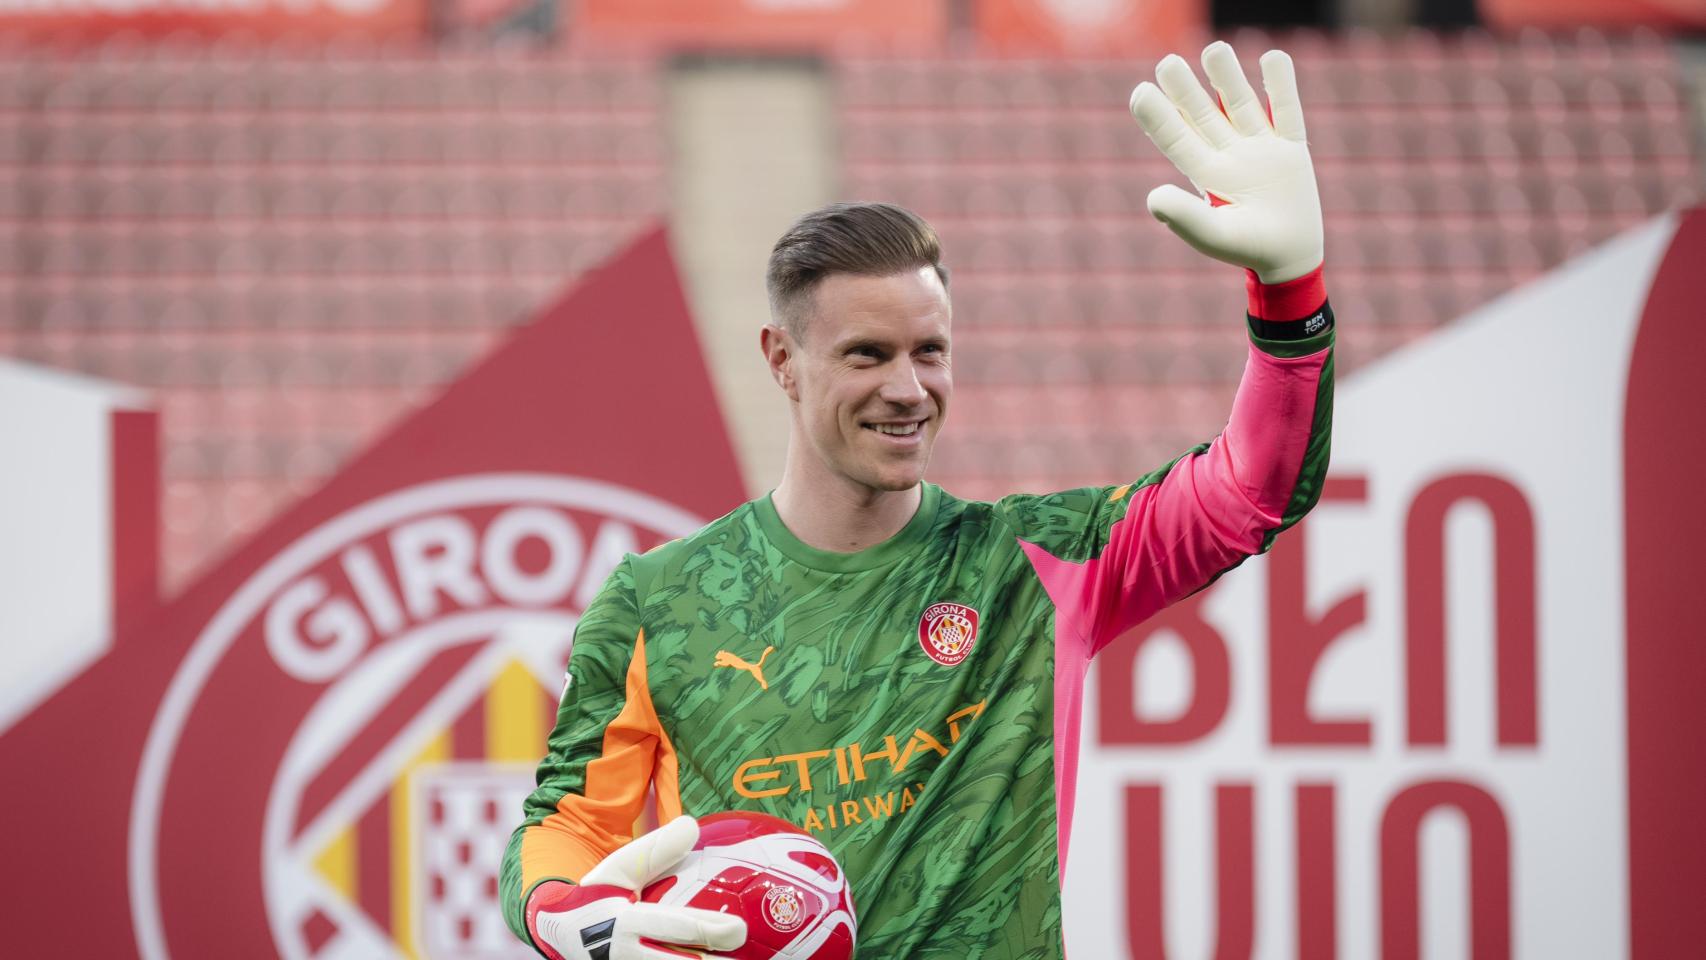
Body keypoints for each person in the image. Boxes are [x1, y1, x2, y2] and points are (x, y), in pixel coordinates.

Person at [501, 40, 1334, 959]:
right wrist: (559, 910)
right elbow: (568, 822)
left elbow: (1253, 492)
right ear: (782, 359)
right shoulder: (657, 602)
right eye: (867, 355)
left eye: (928, 352)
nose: (908, 388)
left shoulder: (1035, 562)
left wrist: (1291, 297)